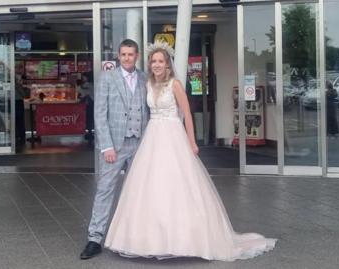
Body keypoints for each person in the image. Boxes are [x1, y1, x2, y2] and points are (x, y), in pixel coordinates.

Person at [104, 41, 276, 261]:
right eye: (154, 61)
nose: (157, 65)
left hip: (173, 135)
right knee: (150, 185)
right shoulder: (147, 84)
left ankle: (186, 239)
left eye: (161, 61)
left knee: (179, 184)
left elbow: (186, 112)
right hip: (152, 137)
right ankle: (149, 239)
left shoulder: (175, 84)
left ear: (168, 65)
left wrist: (192, 141)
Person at [80, 39, 149, 260]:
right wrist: (106, 146)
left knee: (139, 191)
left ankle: (137, 236)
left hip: (139, 144)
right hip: (114, 146)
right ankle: (94, 238)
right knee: (105, 190)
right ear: (118, 56)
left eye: (131, 54)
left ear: (137, 56)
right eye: (123, 54)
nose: (127, 58)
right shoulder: (108, 78)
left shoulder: (145, 79)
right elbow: (99, 114)